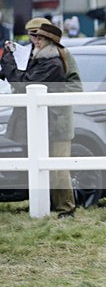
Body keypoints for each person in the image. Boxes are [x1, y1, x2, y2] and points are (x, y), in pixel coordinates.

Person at [2, 22, 83, 218]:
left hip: (56, 121)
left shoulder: (54, 60)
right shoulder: (36, 56)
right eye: (33, 36)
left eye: (38, 37)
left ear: (49, 40)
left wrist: (8, 60)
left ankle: (66, 208)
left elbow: (24, 83)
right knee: (40, 166)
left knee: (58, 168)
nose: (35, 41)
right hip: (41, 121)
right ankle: (47, 206)